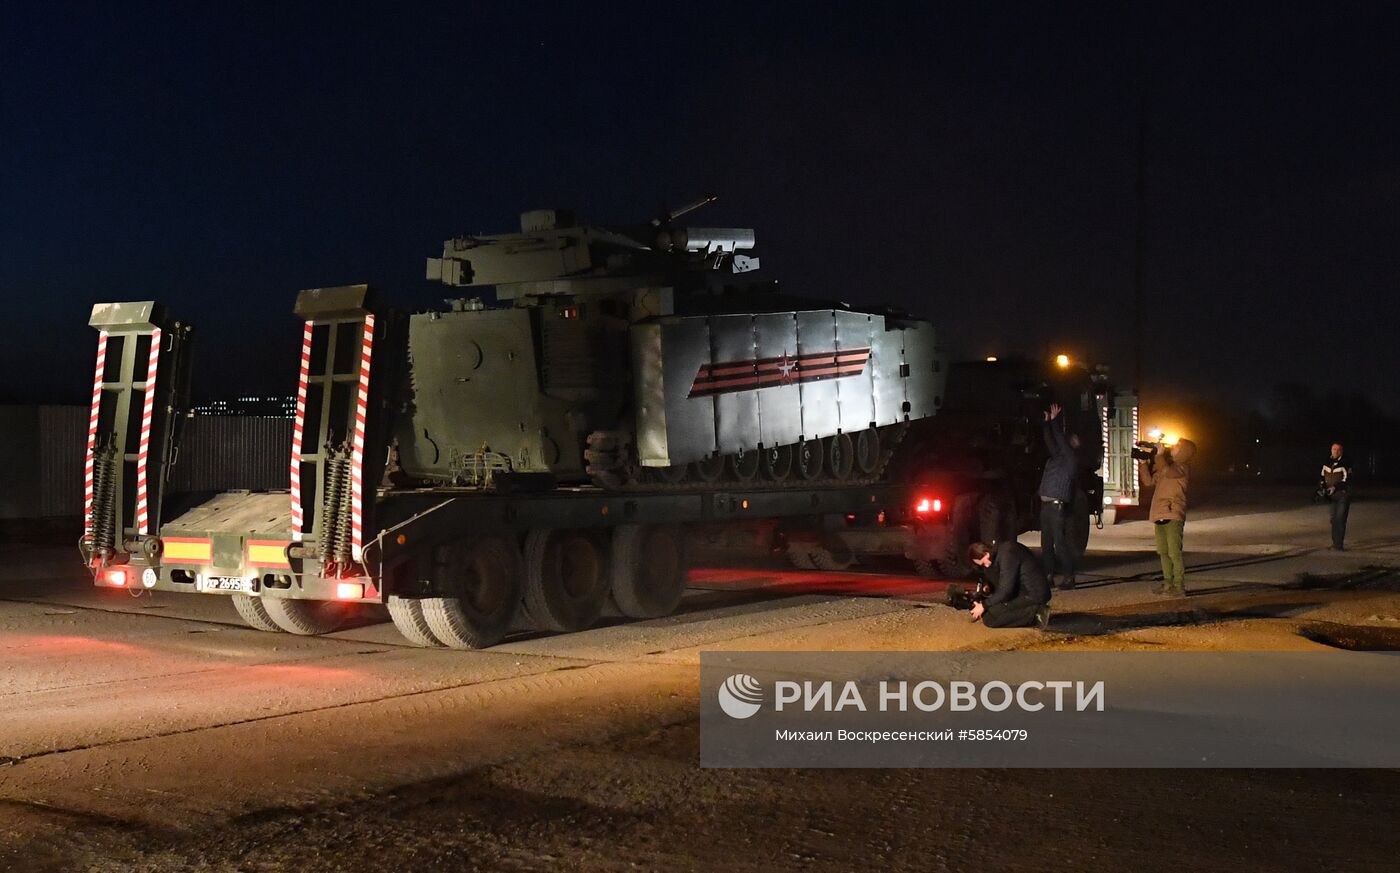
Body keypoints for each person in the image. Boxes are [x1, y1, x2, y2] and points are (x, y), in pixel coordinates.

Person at [1137, 438, 1197, 596]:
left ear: (1184, 452)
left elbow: (1168, 472)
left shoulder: (1181, 468)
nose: (1174, 448)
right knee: (1163, 552)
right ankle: (1168, 584)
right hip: (1159, 513)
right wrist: (1143, 464)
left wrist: (1159, 455)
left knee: (1174, 552)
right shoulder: (1167, 467)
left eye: (1178, 446)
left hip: (1173, 513)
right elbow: (1149, 482)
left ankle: (1179, 586)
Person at [1037, 403, 1081, 590]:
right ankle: (1048, 576)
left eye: (1074, 440)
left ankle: (1069, 577)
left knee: (1059, 544)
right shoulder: (1057, 458)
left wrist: (1055, 421)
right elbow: (1051, 442)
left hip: (1056, 506)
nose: (1072, 440)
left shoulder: (1071, 459)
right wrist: (1047, 424)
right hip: (1047, 506)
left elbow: (1060, 442)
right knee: (1046, 544)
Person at [967, 540, 1051, 629]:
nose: (986, 566)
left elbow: (1006, 589)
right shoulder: (1001, 552)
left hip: (1034, 594)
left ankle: (1036, 613)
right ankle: (1032, 612)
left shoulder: (1007, 554)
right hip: (1024, 591)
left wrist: (984, 605)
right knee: (990, 614)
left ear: (986, 554)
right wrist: (988, 587)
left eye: (983, 563)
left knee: (990, 618)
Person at [1319, 442, 1353, 550]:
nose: (1335, 452)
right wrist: (1323, 488)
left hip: (1342, 495)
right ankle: (1335, 543)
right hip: (1331, 496)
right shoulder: (1326, 462)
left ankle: (1339, 545)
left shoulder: (1346, 463)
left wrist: (1335, 487)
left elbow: (1347, 480)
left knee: (1340, 519)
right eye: (1333, 449)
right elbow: (1322, 477)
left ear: (1341, 451)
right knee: (1333, 519)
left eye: (1338, 450)